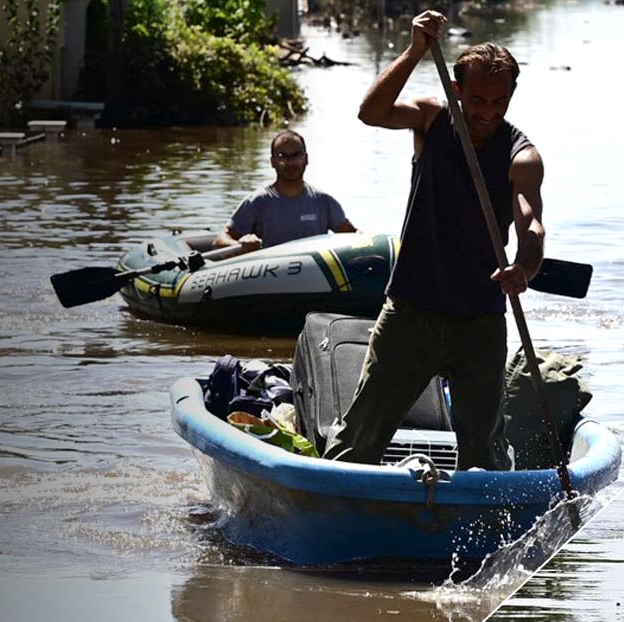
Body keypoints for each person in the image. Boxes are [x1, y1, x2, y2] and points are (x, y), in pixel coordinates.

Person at [323, 11, 544, 470]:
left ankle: (482, 521)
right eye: (478, 99)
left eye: (499, 101)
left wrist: (524, 269)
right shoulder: (430, 121)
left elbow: (531, 223)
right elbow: (371, 113)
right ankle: (332, 502)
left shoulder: (521, 155)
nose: (488, 112)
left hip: (479, 320)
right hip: (412, 309)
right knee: (359, 437)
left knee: (484, 451)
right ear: (456, 89)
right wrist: (416, 50)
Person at [214, 130, 358, 253]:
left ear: (306, 159)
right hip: (269, 278)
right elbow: (219, 241)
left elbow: (355, 237)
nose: (290, 163)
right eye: (282, 157)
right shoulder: (257, 201)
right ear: (272, 162)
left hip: (314, 279)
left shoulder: (324, 202)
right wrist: (241, 245)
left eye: (296, 155)